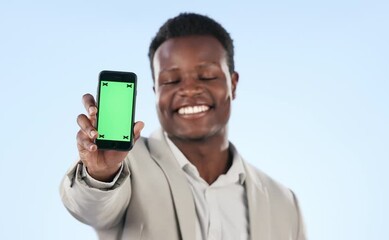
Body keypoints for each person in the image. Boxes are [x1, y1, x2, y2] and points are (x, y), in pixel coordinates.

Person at [60, 13, 307, 240]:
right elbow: (90, 207)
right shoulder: (125, 168)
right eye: (171, 80)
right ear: (156, 91)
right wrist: (100, 173)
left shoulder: (284, 203)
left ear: (233, 83)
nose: (188, 90)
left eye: (207, 75)